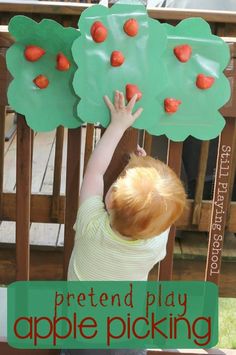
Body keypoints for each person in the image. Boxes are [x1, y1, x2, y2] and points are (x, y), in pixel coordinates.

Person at [64, 91, 186, 354]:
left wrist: (118, 126)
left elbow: (95, 172)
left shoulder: (90, 226)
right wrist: (146, 166)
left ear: (109, 200)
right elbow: (159, 211)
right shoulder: (155, 244)